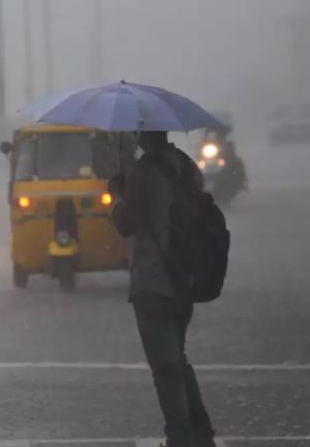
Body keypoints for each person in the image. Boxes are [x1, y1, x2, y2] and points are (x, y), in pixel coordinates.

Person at [110, 131, 215, 447]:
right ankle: (201, 433)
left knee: (165, 366)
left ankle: (181, 438)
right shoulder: (185, 165)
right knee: (177, 359)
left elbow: (126, 222)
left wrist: (118, 194)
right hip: (184, 278)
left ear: (144, 136)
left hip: (154, 280)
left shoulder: (143, 172)